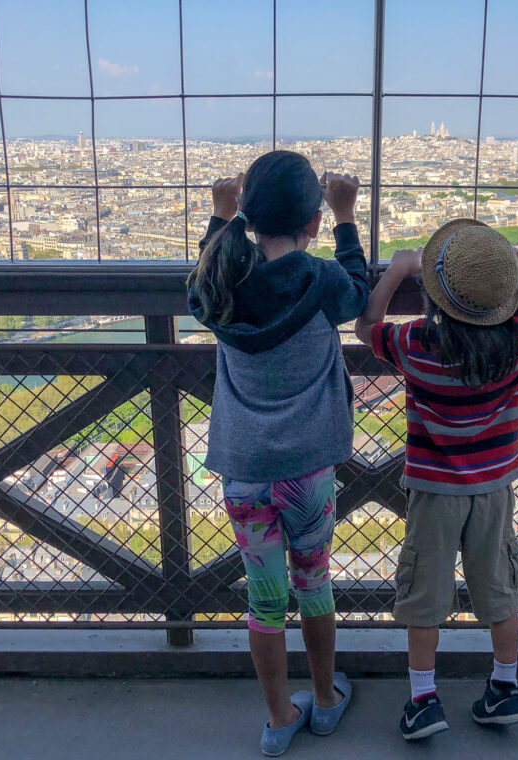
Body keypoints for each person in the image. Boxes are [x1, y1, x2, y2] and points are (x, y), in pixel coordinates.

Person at [354, 218, 518, 740]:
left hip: (433, 489)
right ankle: (505, 687)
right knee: (500, 591)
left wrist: (396, 271)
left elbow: (366, 329)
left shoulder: (417, 342)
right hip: (493, 489)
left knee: (425, 598)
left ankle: (423, 699)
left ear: (439, 296)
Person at [187, 150, 368, 756]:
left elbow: (199, 283)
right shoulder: (321, 281)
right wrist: (347, 219)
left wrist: (219, 215)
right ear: (313, 223)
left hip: (244, 468)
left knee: (263, 598)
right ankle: (324, 701)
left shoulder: (222, 284)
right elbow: (358, 298)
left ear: (248, 213)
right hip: (308, 466)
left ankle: (276, 717)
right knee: (313, 583)